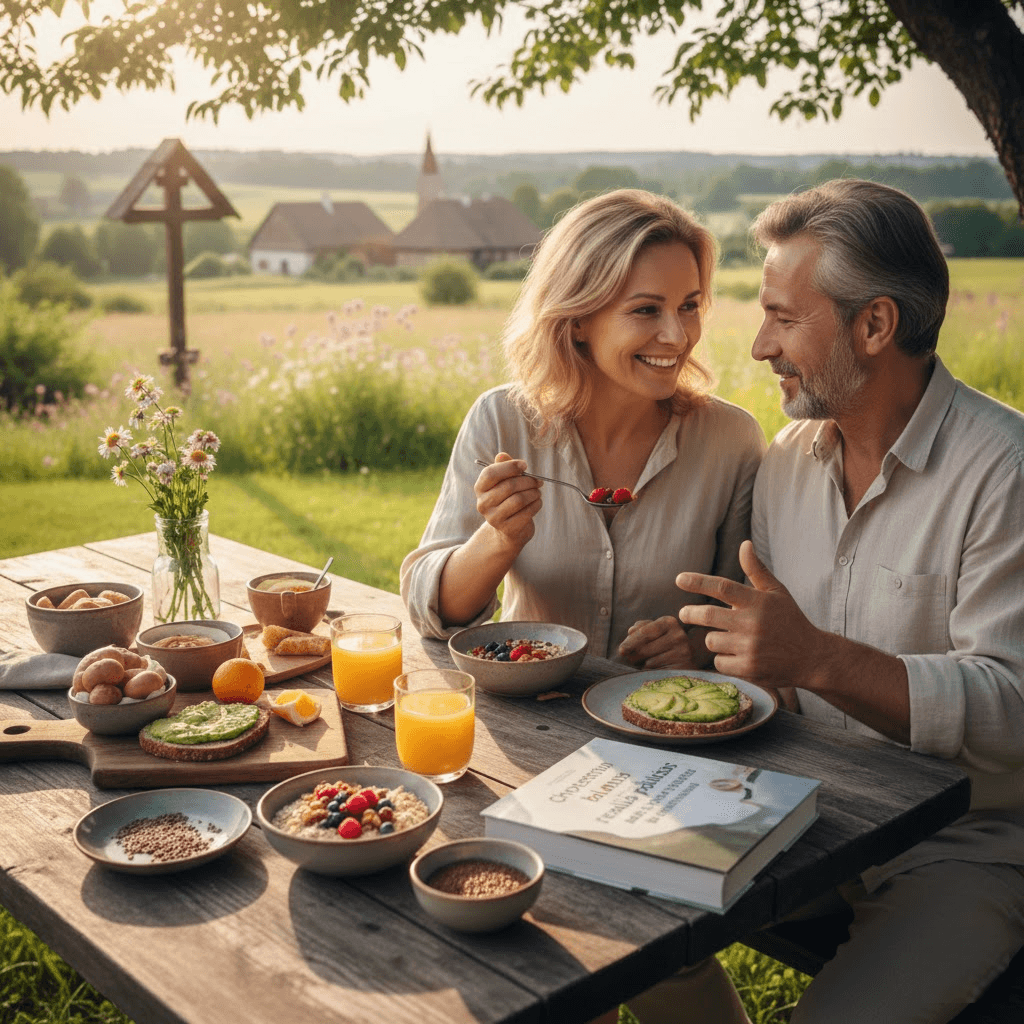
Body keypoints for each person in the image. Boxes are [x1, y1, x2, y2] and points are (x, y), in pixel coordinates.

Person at [675, 179, 1024, 1023]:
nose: (760, 346)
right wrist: (704, 650)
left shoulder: (1005, 470)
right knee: (605, 896)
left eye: (785, 317)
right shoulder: (787, 462)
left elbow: (1015, 708)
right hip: (797, 807)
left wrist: (818, 659)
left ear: (875, 325)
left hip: (961, 846)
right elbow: (770, 660)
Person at [401, 189, 765, 671]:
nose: (678, 336)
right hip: (530, 716)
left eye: (690, 306)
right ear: (577, 320)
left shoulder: (731, 440)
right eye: (646, 310)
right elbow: (431, 611)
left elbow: (742, 613)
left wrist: (694, 646)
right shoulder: (502, 420)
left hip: (664, 723)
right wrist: (498, 538)